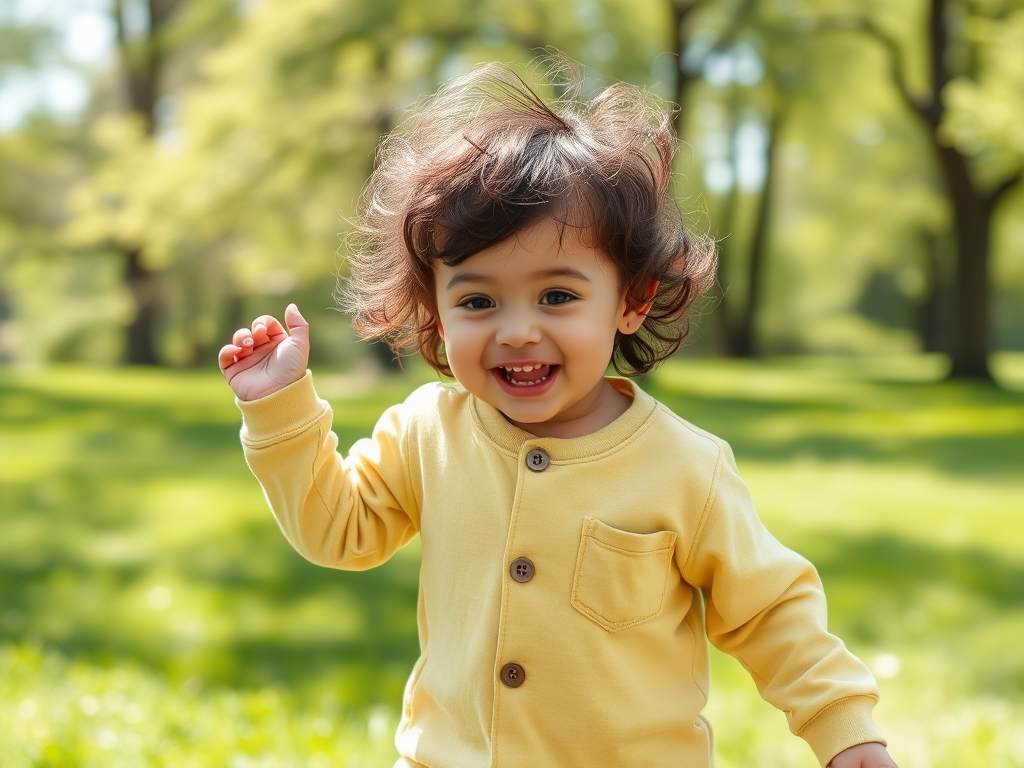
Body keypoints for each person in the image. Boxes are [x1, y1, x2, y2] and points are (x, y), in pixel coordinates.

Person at [218, 62, 897, 768]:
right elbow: (339, 529)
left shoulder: (685, 468)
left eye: (557, 297)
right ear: (437, 314)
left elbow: (768, 609)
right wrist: (277, 408)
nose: (516, 331)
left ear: (630, 301)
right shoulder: (429, 432)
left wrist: (844, 730)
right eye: (478, 302)